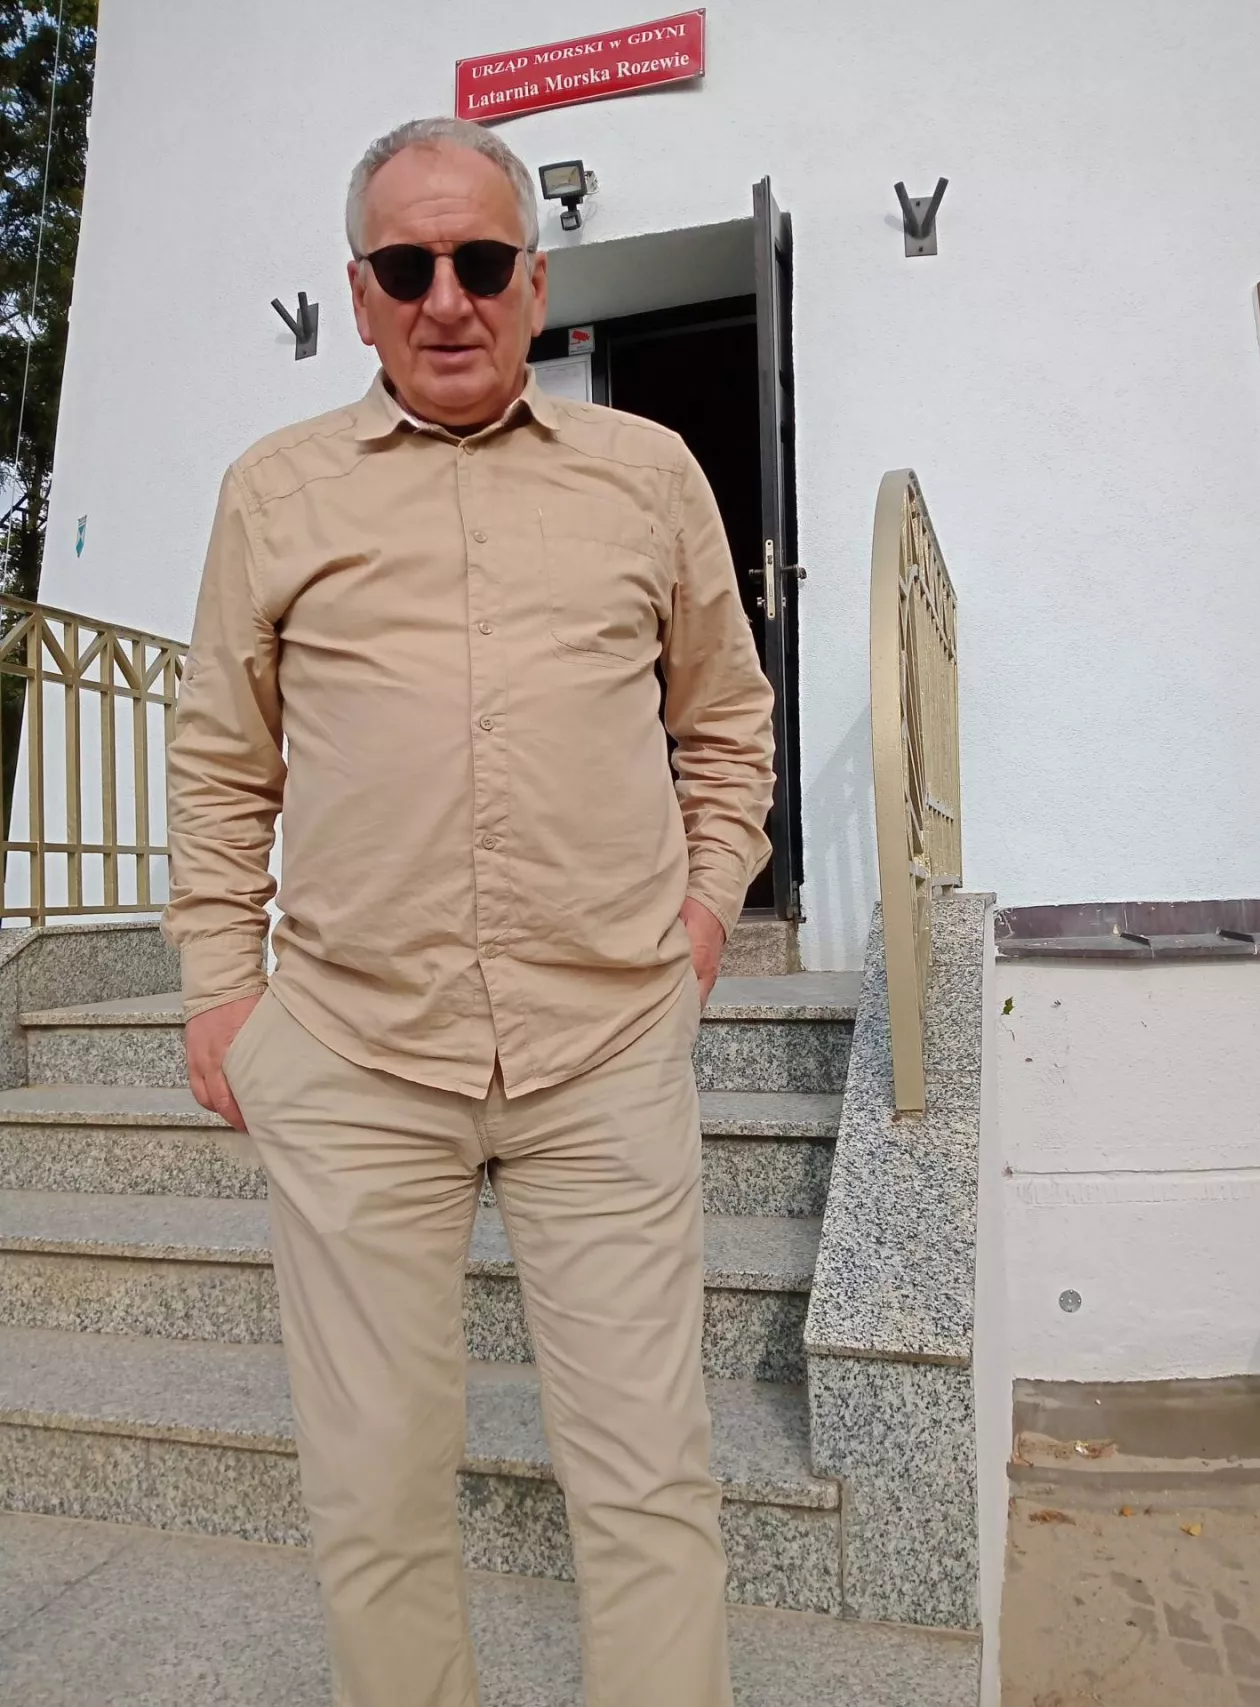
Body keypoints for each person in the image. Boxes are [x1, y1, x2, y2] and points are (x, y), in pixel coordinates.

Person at [163, 115, 774, 1707]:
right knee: (373, 1501)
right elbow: (222, 760)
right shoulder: (273, 494)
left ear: (536, 283)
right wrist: (221, 987)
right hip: (356, 1055)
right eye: (410, 265)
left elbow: (725, 722)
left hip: (604, 1047)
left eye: (485, 261)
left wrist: (707, 911)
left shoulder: (649, 478)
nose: (451, 298)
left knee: (649, 1488)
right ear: (360, 292)